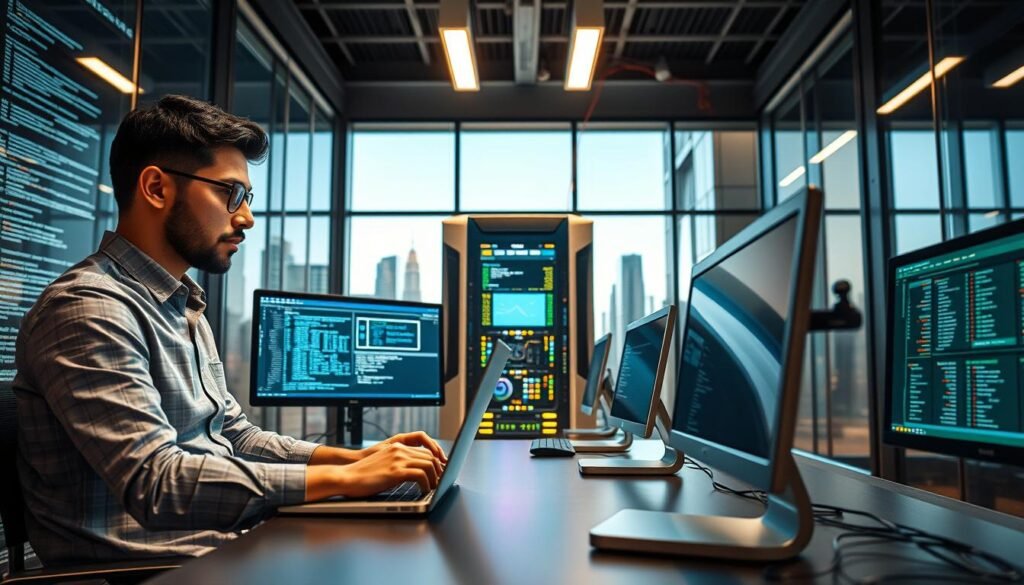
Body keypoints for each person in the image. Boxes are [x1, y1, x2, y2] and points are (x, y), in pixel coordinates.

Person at [12, 95, 446, 565]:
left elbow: (234, 437)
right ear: (156, 188)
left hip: (218, 545)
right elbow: (157, 484)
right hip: (149, 570)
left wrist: (358, 460)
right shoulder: (89, 309)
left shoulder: (181, 304)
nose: (246, 217)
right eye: (230, 193)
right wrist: (344, 481)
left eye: (247, 198)